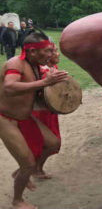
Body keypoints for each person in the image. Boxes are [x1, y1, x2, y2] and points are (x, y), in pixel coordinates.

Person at [0, 32, 68, 209]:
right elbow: (9, 86)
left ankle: (22, 171)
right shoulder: (15, 63)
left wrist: (61, 99)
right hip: (5, 119)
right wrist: (45, 83)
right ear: (32, 52)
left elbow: (35, 95)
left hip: (25, 117)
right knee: (28, 163)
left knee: (53, 143)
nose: (50, 54)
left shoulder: (36, 66)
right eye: (46, 51)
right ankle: (17, 201)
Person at [31, 42, 61, 178]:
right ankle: (32, 169)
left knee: (52, 143)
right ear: (47, 55)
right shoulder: (39, 70)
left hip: (50, 112)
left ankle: (38, 168)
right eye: (55, 51)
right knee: (45, 143)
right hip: (39, 113)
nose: (58, 54)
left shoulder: (53, 67)